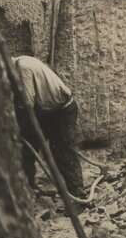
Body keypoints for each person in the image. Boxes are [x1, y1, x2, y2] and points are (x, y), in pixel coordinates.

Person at [13, 55, 85, 200]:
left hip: (62, 110)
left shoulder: (23, 68)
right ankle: (29, 190)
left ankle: (78, 195)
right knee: (26, 146)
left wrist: (17, 126)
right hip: (45, 112)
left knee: (62, 150)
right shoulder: (19, 63)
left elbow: (27, 104)